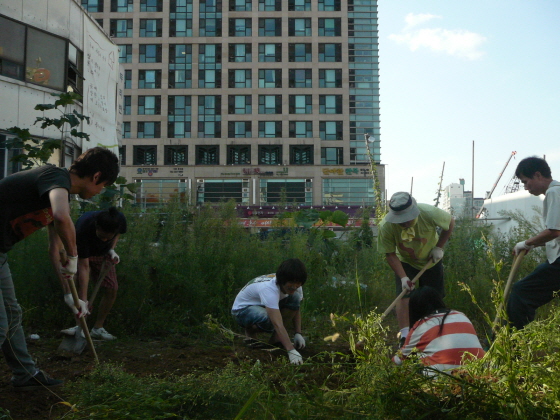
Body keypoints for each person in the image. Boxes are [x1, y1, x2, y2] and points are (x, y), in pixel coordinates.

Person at [0, 146, 119, 391]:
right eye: (103, 185)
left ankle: (25, 374)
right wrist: (74, 255)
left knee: (12, 315)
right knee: (0, 324)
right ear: (96, 177)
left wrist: (69, 295)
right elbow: (62, 217)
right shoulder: (55, 177)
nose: (100, 191)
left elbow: (55, 251)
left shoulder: (58, 191)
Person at [377, 191, 455, 346]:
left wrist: (439, 247)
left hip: (431, 260)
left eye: (407, 219)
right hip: (405, 262)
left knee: (434, 296)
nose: (404, 223)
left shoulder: (429, 213)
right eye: (400, 221)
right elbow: (390, 254)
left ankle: (438, 331)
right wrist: (403, 277)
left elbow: (450, 223)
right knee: (403, 295)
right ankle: (405, 337)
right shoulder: (386, 226)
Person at [54, 206, 127, 340]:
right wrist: (84, 300)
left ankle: (98, 328)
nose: (104, 240)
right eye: (102, 237)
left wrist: (111, 249)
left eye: (108, 238)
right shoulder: (83, 228)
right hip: (81, 255)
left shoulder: (119, 220)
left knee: (112, 288)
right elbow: (84, 267)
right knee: (78, 290)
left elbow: (118, 234)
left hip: (103, 255)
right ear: (96, 228)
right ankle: (79, 326)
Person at [507, 156, 560, 329]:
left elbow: (554, 231)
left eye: (526, 181)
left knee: (521, 293)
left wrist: (527, 243)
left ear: (537, 175)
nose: (525, 187)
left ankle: (516, 342)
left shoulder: (554, 192)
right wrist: (534, 243)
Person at [392, 287, 485, 375]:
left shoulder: (420, 326)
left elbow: (399, 360)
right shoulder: (461, 315)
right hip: (479, 373)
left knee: (415, 361)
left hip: (444, 379)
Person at [231, 258, 307, 365]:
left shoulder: (295, 285)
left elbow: (296, 307)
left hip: (261, 305)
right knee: (270, 320)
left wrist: (298, 333)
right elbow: (277, 323)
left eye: (298, 283)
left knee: (294, 298)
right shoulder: (269, 289)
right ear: (282, 280)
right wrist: (291, 350)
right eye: (291, 283)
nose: (294, 286)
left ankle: (276, 340)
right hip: (242, 310)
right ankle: (250, 332)